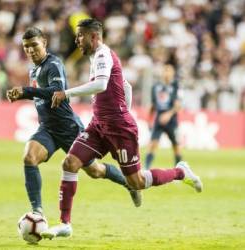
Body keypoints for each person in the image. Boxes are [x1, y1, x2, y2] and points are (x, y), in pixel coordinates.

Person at [42, 18, 203, 239]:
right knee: (70, 163)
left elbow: (100, 85)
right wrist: (121, 110)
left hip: (119, 129)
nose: (77, 40)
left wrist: (67, 94)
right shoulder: (98, 57)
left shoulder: (102, 55)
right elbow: (125, 85)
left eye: (80, 36)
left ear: (94, 36)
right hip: (99, 125)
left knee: (137, 182)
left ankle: (180, 171)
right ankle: (65, 223)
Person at [6, 27, 141, 218]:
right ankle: (37, 212)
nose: (30, 50)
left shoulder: (53, 64)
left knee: (95, 171)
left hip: (69, 128)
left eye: (34, 45)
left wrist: (26, 91)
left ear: (44, 42)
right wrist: (22, 95)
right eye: (26, 47)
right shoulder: (34, 70)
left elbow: (56, 90)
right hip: (48, 129)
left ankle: (129, 184)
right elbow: (42, 96)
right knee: (29, 157)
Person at [145, 63, 182, 169]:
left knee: (176, 146)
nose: (166, 73)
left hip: (171, 119)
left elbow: (178, 106)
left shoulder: (176, 86)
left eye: (169, 70)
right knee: (152, 144)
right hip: (159, 118)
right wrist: (149, 120)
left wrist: (168, 114)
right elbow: (152, 105)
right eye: (165, 70)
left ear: (173, 73)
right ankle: (146, 169)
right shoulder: (155, 87)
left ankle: (178, 170)